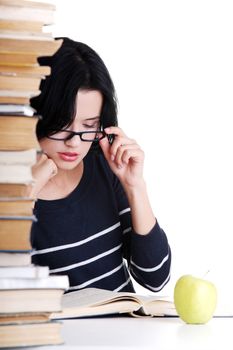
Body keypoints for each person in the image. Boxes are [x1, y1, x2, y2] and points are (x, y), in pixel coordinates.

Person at [30, 37, 171, 293]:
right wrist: (22, 198)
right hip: (64, 333)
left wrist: (134, 186)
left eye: (88, 125)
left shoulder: (102, 165)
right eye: (62, 123)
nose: (74, 142)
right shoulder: (13, 192)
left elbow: (155, 277)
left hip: (124, 328)